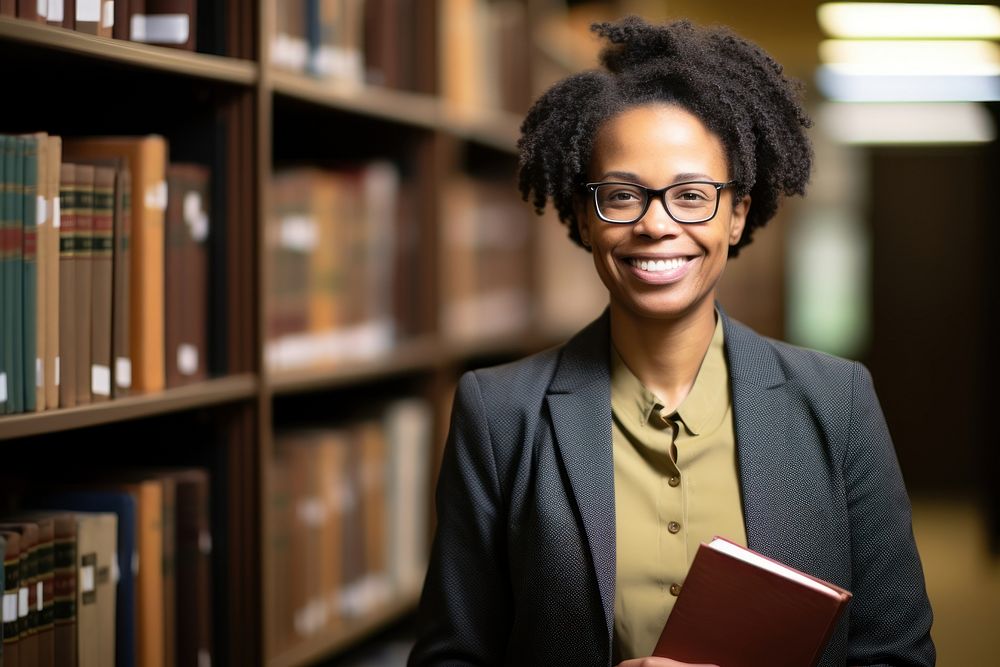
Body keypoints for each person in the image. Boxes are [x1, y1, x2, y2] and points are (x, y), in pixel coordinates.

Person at [408, 16, 935, 667]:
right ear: (581, 214)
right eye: (622, 195)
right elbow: (448, 657)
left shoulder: (837, 401)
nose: (657, 224)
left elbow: (897, 653)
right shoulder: (499, 413)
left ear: (738, 211)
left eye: (692, 195)